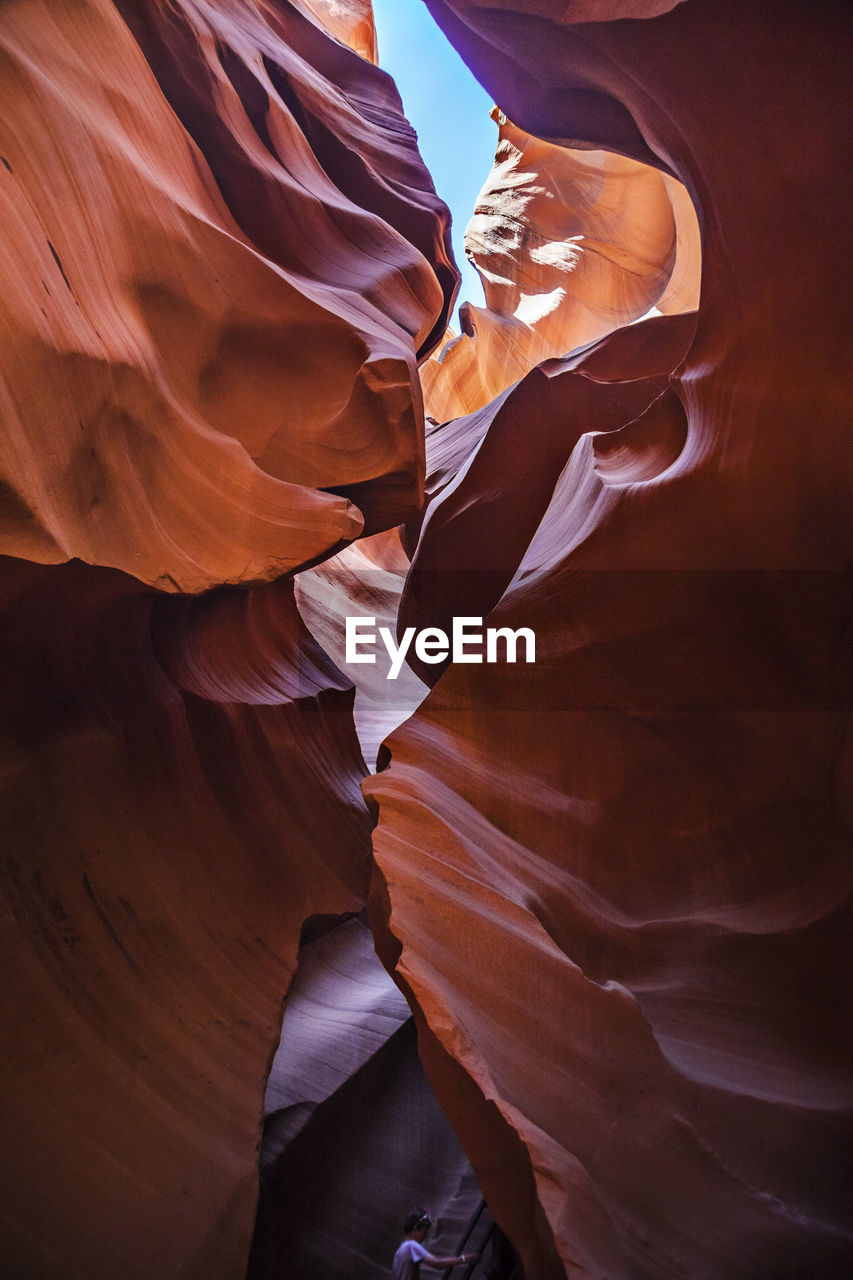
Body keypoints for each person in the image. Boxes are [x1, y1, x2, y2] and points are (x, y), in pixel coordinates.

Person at [392, 1210, 479, 1278]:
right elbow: (437, 1264)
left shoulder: (400, 1251)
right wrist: (464, 1259)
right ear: (416, 1228)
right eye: (425, 1231)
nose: (426, 1236)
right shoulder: (411, 1246)